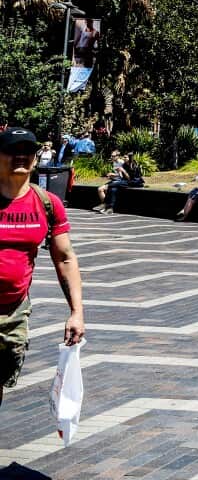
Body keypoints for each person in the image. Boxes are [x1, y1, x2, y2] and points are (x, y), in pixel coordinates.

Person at [0, 127, 85, 408]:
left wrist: (76, 313)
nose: (21, 156)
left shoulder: (47, 203)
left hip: (13, 313)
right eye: (12, 150)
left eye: (28, 150)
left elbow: (65, 258)